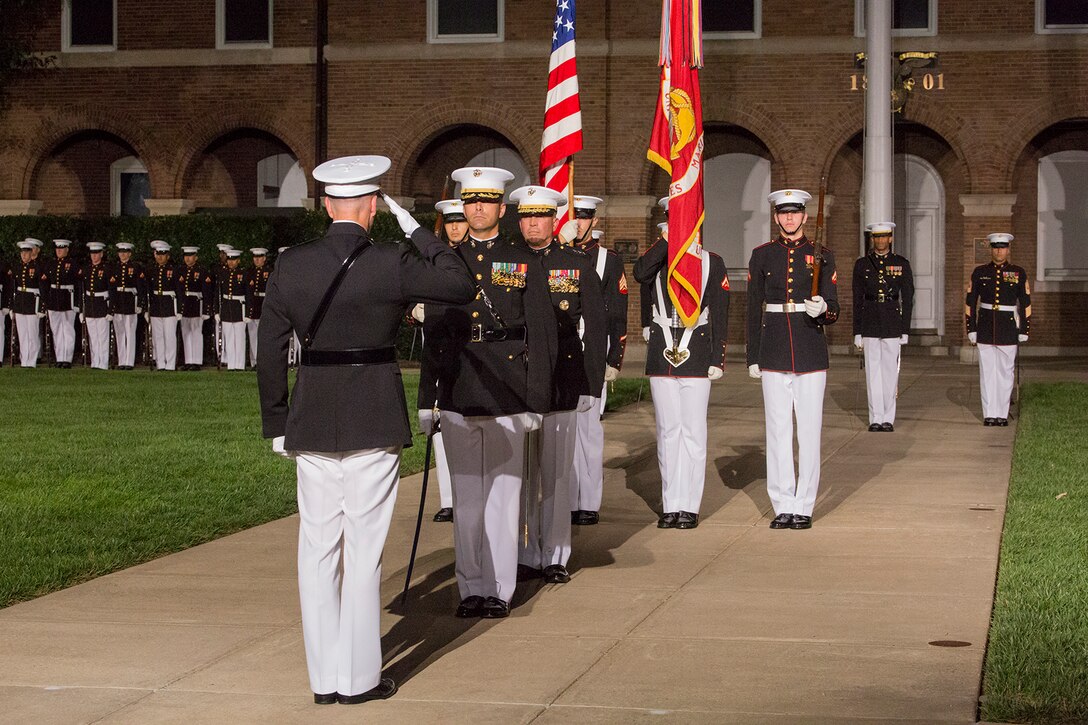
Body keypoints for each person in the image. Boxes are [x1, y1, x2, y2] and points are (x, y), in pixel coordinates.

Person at [258, 155, 474, 705]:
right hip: (373, 411)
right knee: (364, 551)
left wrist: (276, 419)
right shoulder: (391, 261)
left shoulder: (292, 264)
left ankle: (323, 680)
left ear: (327, 205)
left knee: (317, 550)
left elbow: (269, 351)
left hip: (311, 417)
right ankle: (359, 679)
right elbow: (459, 280)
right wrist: (415, 228)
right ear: (373, 208)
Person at [425, 166, 557, 618]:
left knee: (503, 497)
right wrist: (429, 399)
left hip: (506, 388)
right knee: (466, 498)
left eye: (486, 200)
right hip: (461, 385)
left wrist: (536, 399)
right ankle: (470, 588)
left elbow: (541, 335)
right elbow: (436, 337)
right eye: (470, 201)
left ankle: (499, 588)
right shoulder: (447, 263)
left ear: (503, 207)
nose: (477, 208)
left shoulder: (524, 259)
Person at [512, 185, 606, 583]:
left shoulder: (575, 264)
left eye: (541, 215)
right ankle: (521, 551)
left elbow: (597, 327)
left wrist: (591, 385)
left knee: (555, 474)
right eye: (526, 215)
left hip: (562, 381)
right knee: (517, 475)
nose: (533, 222)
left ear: (555, 220)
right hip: (515, 382)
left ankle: (554, 555)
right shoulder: (506, 263)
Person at [747, 189, 839, 530]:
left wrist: (824, 310)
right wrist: (753, 354)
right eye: (783, 213)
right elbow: (752, 307)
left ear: (803, 216)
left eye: (795, 213)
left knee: (809, 430)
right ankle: (783, 503)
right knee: (778, 429)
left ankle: (805, 505)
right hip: (772, 349)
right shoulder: (762, 256)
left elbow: (835, 305)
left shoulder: (822, 255)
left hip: (810, 347)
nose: (789, 219)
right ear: (775, 217)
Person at [633, 206, 729, 530]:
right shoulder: (658, 260)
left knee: (693, 433)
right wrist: (664, 242)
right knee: (668, 433)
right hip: (663, 354)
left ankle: (690, 505)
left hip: (697, 353)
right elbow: (639, 273)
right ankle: (671, 504)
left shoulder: (710, 262)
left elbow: (721, 312)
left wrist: (718, 357)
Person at [570, 195, 629, 525]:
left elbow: (618, 315)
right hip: (562, 350)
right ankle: (566, 497)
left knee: (589, 430)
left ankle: (588, 501)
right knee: (563, 429)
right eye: (573, 217)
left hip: (593, 349)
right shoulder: (557, 253)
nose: (577, 223)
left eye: (583, 217)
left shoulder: (608, 259)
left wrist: (614, 358)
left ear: (593, 221)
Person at [414, 199, 470, 523]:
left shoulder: (472, 260)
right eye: (450, 223)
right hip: (436, 346)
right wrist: (414, 310)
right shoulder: (433, 261)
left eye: (459, 221)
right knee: (439, 426)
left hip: (464, 347)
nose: (454, 227)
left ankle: (465, 493)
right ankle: (448, 498)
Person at [852, 222, 914, 432]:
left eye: (884, 237)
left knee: (889, 372)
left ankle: (888, 417)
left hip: (891, 320)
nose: (880, 241)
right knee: (872, 372)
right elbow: (856, 299)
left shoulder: (901, 264)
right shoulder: (862, 264)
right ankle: (875, 417)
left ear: (890, 238)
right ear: (872, 239)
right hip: (869, 319)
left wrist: (905, 329)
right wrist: (857, 331)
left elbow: (908, 298)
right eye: (876, 237)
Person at [965, 233, 1031, 426]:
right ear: (991, 249)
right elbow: (970, 301)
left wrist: (1025, 329)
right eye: (995, 247)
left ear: (1008, 249)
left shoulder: (1018, 272)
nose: (999, 251)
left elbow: (1026, 302)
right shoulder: (979, 272)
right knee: (987, 373)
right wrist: (971, 327)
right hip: (985, 326)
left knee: (1005, 372)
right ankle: (989, 414)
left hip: (1008, 327)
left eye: (1002, 247)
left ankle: (1001, 414)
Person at [41, 239, 80, 368]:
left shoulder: (72, 264)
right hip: (54, 299)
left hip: (67, 298)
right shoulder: (51, 264)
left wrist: (77, 303)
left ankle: (67, 358)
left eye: (62, 249)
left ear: (67, 250)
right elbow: (44, 283)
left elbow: (78, 284)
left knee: (68, 330)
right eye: (57, 249)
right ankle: (59, 357)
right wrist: (45, 301)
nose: (59, 251)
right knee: (56, 329)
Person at [110, 242, 146, 370]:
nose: (123, 254)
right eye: (121, 252)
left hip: (131, 302)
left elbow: (141, 287)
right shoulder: (114, 268)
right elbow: (112, 288)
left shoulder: (136, 267)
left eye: (125, 252)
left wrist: (141, 304)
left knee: (130, 333)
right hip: (118, 302)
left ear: (130, 253)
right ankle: (121, 360)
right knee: (119, 333)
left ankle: (129, 361)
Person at [147, 240, 182, 371]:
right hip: (157, 306)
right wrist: (147, 309)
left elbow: (179, 291)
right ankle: (160, 363)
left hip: (169, 306)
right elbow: (149, 291)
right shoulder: (151, 270)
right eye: (158, 254)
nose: (160, 257)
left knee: (170, 336)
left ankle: (170, 364)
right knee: (158, 337)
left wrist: (179, 309)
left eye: (163, 254)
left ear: (168, 256)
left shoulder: (174, 270)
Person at [11, 239, 45, 367]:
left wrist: (42, 307)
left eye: (27, 252)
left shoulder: (37, 268)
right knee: (22, 334)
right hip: (20, 303)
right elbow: (13, 288)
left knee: (32, 333)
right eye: (22, 252)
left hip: (32, 303)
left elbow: (42, 289)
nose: (24, 255)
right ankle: (24, 359)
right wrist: (11, 307)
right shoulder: (17, 267)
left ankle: (31, 360)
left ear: (32, 253)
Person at [179, 247, 213, 371]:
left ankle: (197, 361)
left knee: (196, 333)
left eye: (190, 256)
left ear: (196, 257)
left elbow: (207, 291)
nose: (188, 258)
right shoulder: (181, 270)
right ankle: (188, 360)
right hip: (185, 304)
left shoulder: (202, 271)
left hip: (197, 304)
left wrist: (206, 310)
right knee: (186, 333)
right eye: (186, 256)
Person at [217, 249, 248, 370]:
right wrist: (217, 311)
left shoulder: (243, 274)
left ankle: (239, 365)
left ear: (238, 261)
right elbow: (218, 293)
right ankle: (231, 364)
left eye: (233, 260)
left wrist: (248, 313)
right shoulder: (223, 274)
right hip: (226, 307)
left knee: (239, 338)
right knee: (228, 337)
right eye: (229, 259)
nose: (231, 262)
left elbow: (248, 294)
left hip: (239, 307)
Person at [245, 248, 270, 369]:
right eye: (255, 257)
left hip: (264, 304)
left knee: (264, 335)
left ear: (264, 258)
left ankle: (263, 361)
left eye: (260, 257)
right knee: (253, 334)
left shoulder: (269, 271)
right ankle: (254, 361)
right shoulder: (249, 272)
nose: (257, 259)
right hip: (253, 304)